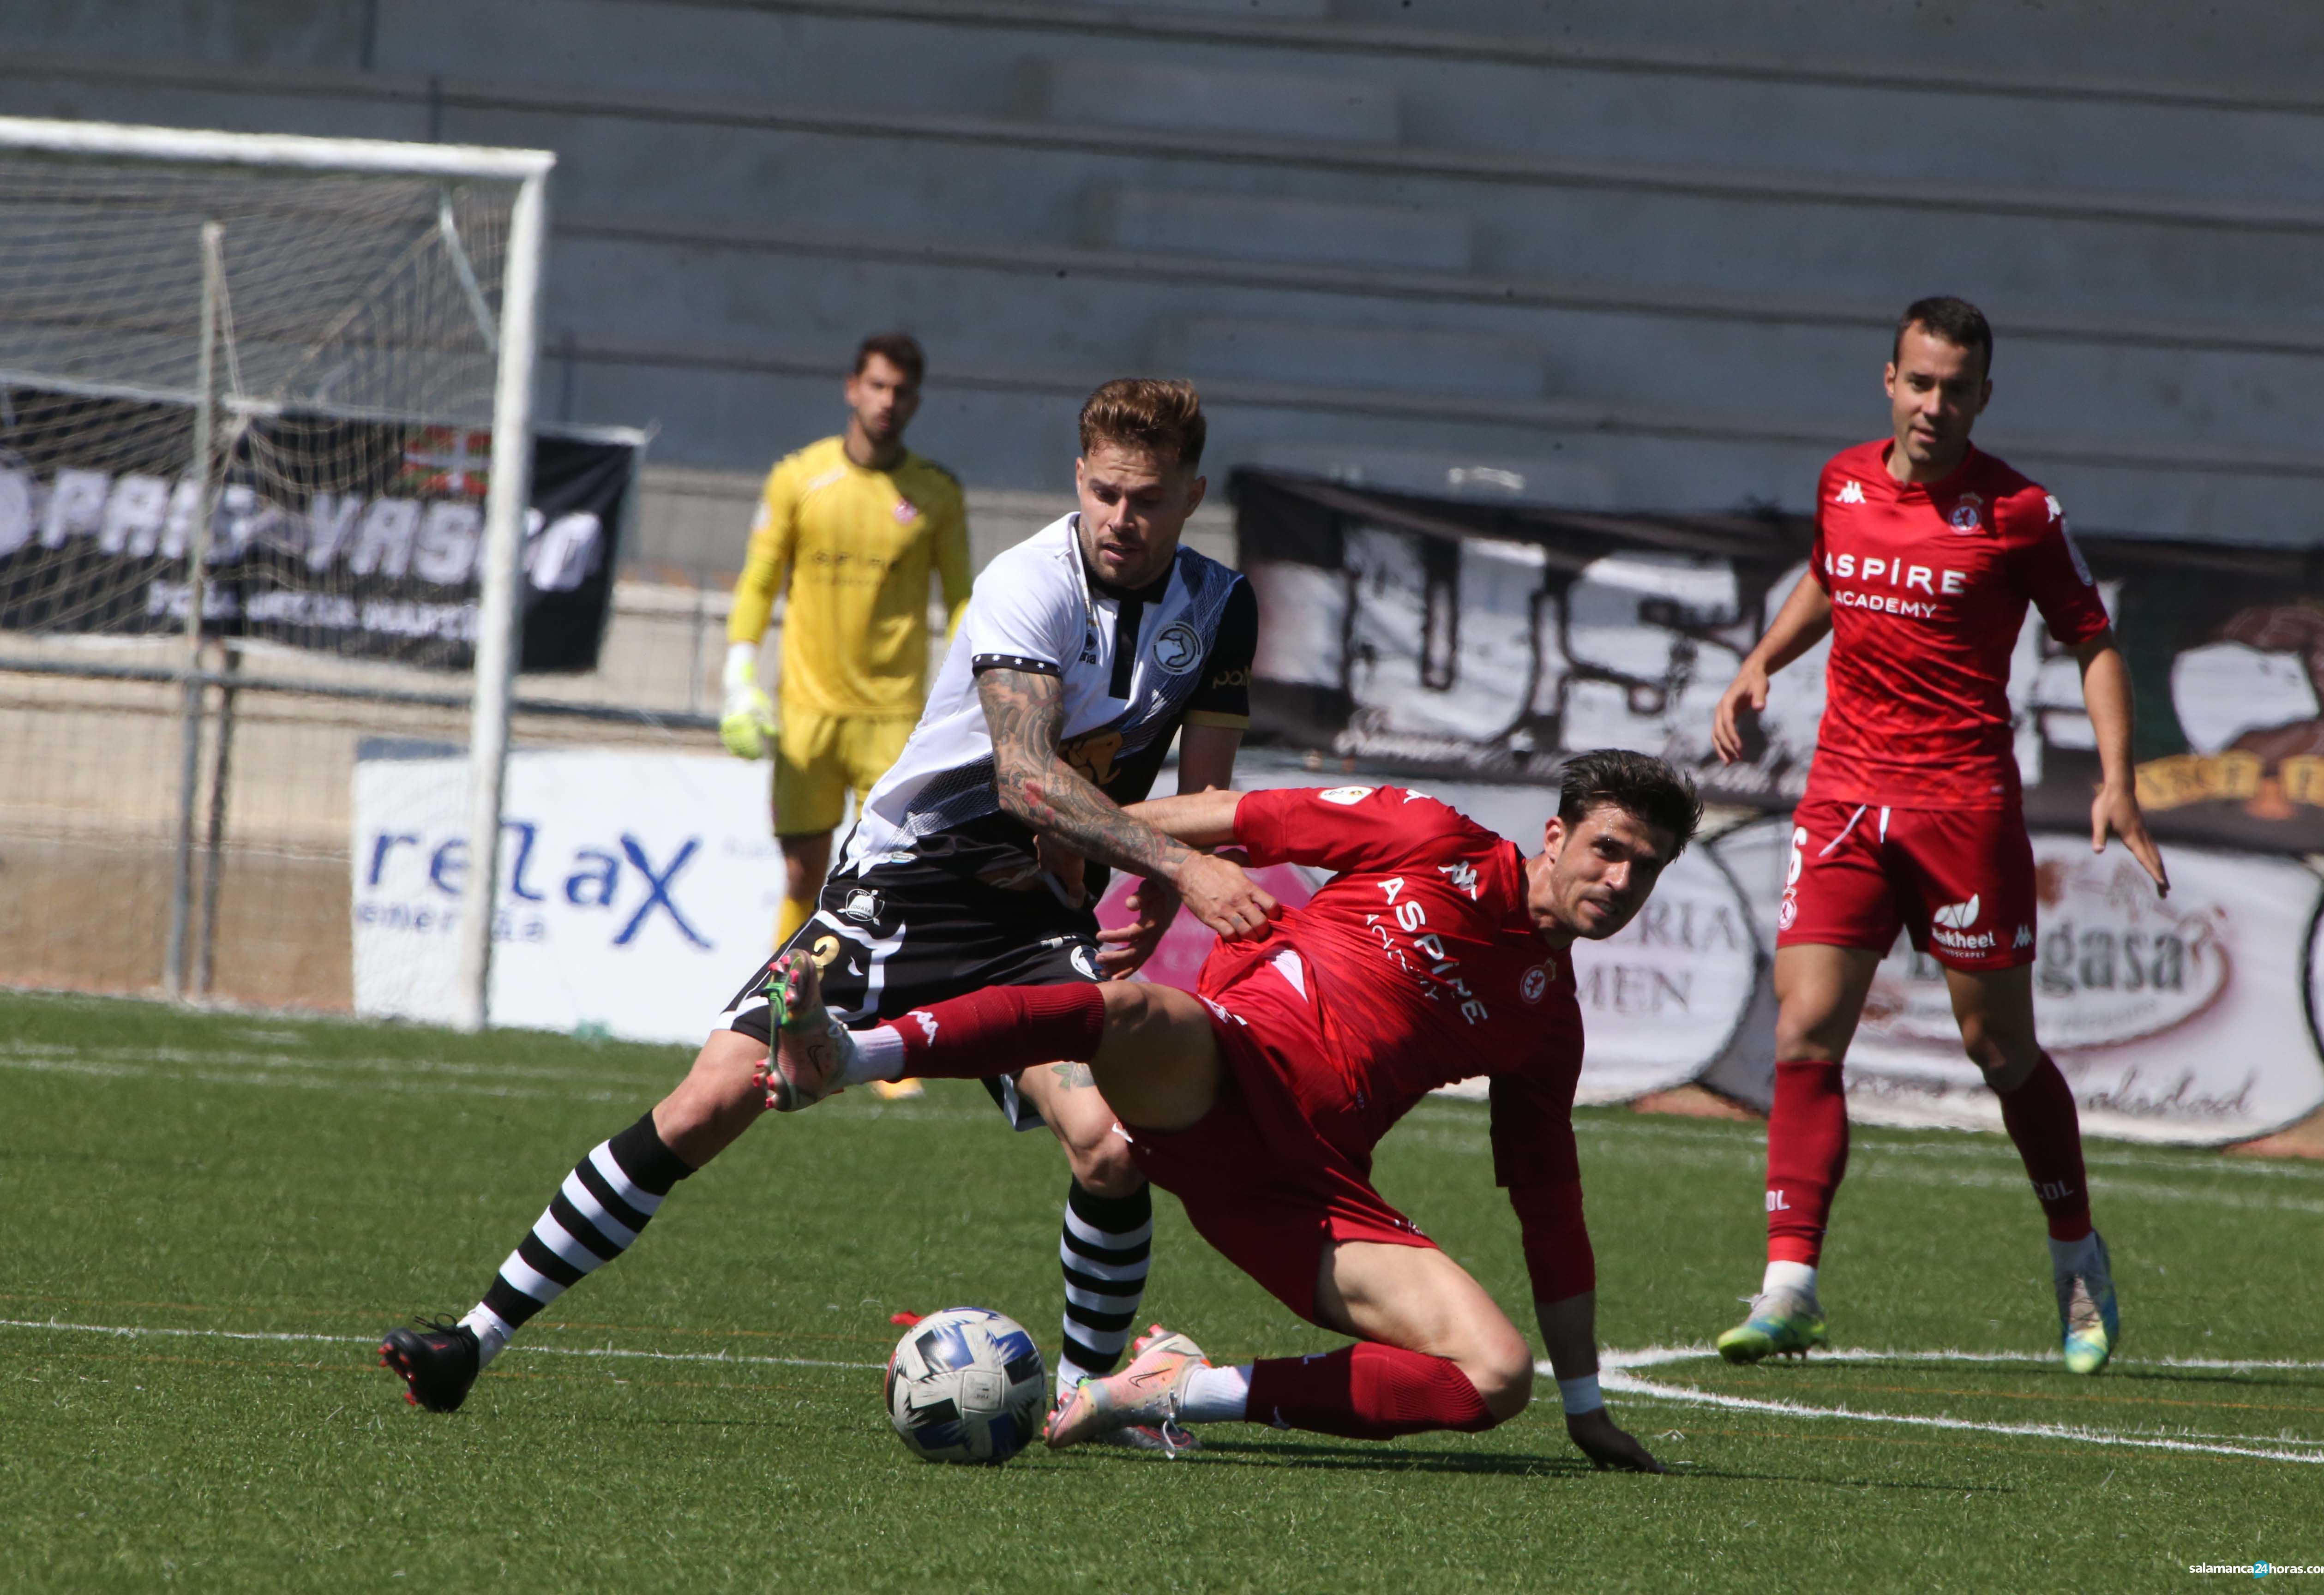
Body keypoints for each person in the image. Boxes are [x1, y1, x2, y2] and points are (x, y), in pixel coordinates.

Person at [383, 380, 1268, 1443]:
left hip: (1034, 924)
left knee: (1112, 1147)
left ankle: (1087, 1401)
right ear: (1079, 479)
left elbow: (1207, 791)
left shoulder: (1219, 607)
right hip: (903, 889)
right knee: (709, 1101)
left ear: (1191, 497)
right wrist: (1177, 861)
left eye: (1150, 500)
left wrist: (1165, 887)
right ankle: (472, 1341)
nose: (1124, 519)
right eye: (1107, 493)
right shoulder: (1028, 582)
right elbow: (1024, 782)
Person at [755, 753, 1697, 1469]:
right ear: (1555, 837)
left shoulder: (1548, 1021)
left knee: (1494, 1378)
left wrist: (1582, 1403)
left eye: (1644, 869)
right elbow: (1233, 816)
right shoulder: (1429, 835)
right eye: (1607, 849)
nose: (1618, 881)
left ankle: (1175, 1390)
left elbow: (1551, 1211)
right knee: (1130, 1015)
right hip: (1221, 1064)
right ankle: (848, 1053)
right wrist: (1099, 837)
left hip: (1305, 1190)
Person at [1708, 295, 2168, 1374]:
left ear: (1983, 397)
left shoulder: (2020, 512)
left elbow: (2093, 643)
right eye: (1919, 382)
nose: (1935, 404)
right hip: (1843, 803)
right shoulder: (1843, 481)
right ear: (1890, 380)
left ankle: (2075, 1256)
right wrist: (1764, 657)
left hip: (1962, 808)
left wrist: (2118, 782)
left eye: (1956, 388)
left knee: (1997, 1047)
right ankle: (1790, 1287)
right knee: (1806, 1032)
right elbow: (1831, 571)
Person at [718, 332, 973, 958]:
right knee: (805, 875)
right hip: (809, 714)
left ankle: (891, 1050)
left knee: (888, 885)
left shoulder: (937, 492)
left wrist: (972, 696)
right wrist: (738, 676)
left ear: (916, 401)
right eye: (878, 386)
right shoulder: (799, 478)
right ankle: (781, 1025)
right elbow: (758, 581)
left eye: (901, 391)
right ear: (852, 389)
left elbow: (965, 600)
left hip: (894, 720)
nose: (888, 401)